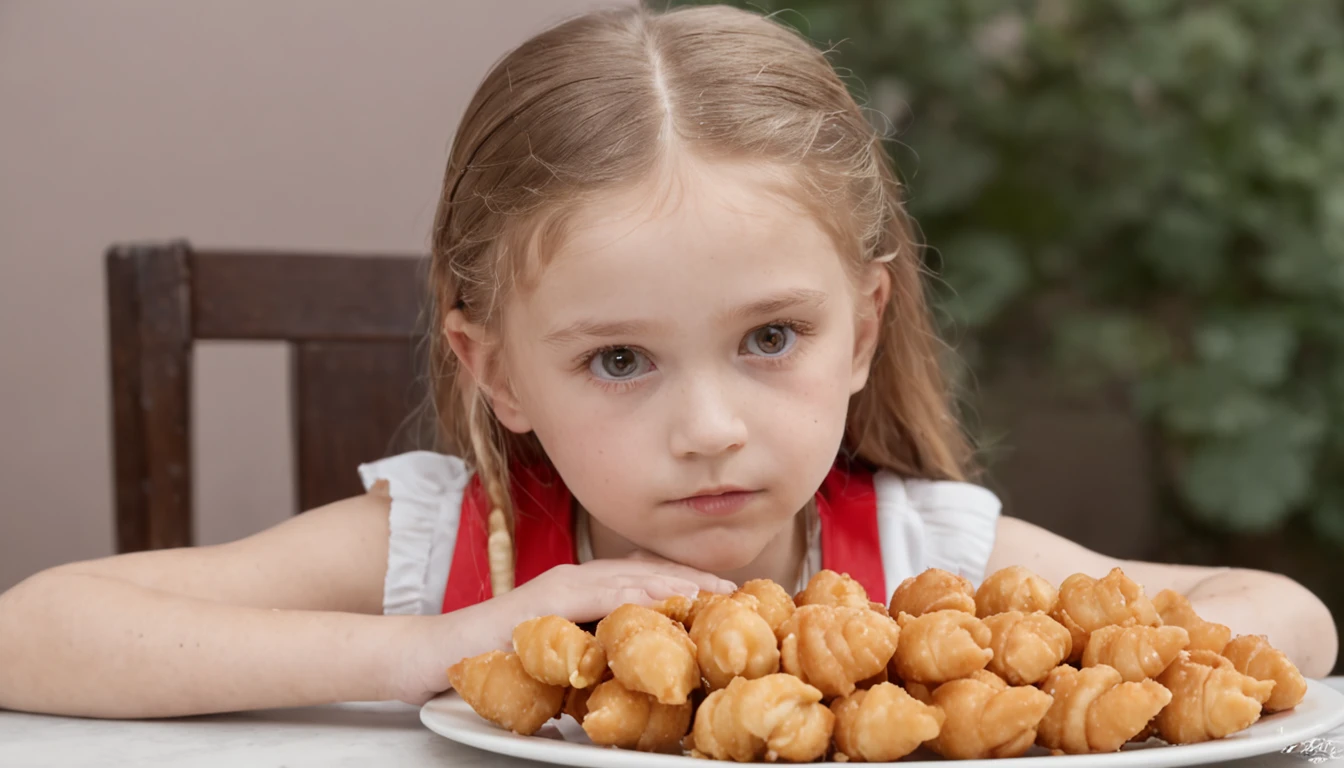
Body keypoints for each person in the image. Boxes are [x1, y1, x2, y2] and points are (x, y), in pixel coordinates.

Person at [0, 4, 1334, 719]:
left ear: (861, 327)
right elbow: (35, 634)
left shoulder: (930, 561)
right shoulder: (447, 551)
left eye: (771, 339)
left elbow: (1289, 618)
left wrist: (1014, 675)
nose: (709, 427)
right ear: (495, 370)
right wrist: (432, 650)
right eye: (621, 359)